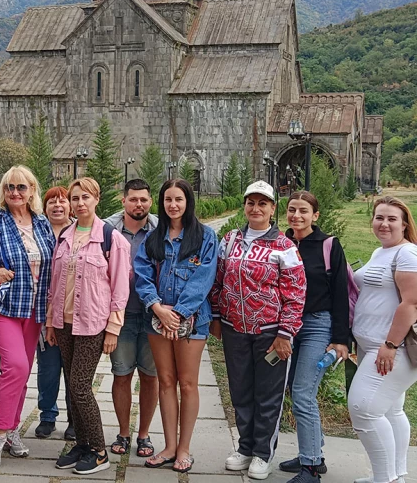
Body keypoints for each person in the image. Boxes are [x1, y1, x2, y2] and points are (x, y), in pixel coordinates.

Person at [209, 180, 306, 480]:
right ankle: (245, 447)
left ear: (272, 208)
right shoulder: (230, 240)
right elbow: (219, 279)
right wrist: (216, 314)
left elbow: (296, 293)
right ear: (245, 206)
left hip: (270, 332)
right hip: (234, 328)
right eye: (251, 202)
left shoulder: (284, 246)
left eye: (262, 203)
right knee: (240, 391)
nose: (256, 208)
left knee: (268, 395)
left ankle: (263, 453)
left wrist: (285, 333)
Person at [0, 165, 55, 469]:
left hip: (34, 310)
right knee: (16, 365)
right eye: (9, 187)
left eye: (21, 187)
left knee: (21, 371)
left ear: (32, 191)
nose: (15, 193)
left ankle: (14, 429)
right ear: (3, 191)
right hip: (3, 307)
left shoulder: (42, 223)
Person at [46, 177, 131, 475]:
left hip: (93, 324)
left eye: (86, 197)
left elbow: (120, 288)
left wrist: (113, 328)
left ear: (97, 200)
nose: (80, 203)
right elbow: (54, 283)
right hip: (64, 322)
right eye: (75, 198)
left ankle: (98, 450)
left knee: (81, 386)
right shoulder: (65, 236)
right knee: (71, 385)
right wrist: (50, 324)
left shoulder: (111, 238)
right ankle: (81, 444)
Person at [133, 179, 218, 473]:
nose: (173, 205)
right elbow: (142, 275)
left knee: (188, 382)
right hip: (156, 319)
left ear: (188, 201)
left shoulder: (205, 237)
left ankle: (184, 449)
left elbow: (204, 278)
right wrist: (158, 308)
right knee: (165, 381)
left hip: (192, 322)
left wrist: (178, 313)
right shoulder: (153, 239)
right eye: (168, 199)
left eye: (178, 199)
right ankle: (169, 446)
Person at [280, 191, 350, 482]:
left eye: (303, 211)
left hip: (317, 325)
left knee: (303, 393)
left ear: (315, 215)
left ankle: (309, 467)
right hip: (286, 326)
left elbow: (341, 293)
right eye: (292, 210)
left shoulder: (328, 245)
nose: (297, 216)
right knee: (291, 389)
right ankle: (313, 454)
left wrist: (341, 339)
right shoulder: (281, 242)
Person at [349, 196, 417, 483]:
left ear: (404, 224)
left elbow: (411, 303)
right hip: (371, 345)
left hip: (392, 348)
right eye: (379, 217)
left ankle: (384, 479)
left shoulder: (408, 254)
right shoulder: (381, 253)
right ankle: (396, 475)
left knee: (363, 408)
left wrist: (391, 345)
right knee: (391, 410)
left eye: (391, 219)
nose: (384, 224)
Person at [104, 179, 159, 458]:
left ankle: (145, 435)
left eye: (144, 200)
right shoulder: (108, 230)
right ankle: (124, 433)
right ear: (123, 200)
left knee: (151, 377)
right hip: (120, 317)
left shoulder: (162, 229)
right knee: (122, 375)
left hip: (154, 316)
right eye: (133, 199)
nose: (139, 204)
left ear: (150, 202)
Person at [35, 186, 75, 440]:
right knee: (48, 369)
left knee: (73, 370)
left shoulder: (80, 231)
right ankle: (47, 415)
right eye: (52, 202)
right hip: (43, 312)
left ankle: (75, 419)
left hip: (73, 312)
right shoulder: (37, 232)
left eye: (63, 201)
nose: (58, 206)